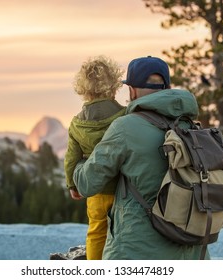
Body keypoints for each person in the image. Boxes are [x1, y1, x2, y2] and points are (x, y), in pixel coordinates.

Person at [73, 56, 209, 259]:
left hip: (135, 254)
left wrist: (80, 161)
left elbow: (86, 184)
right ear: (167, 87)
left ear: (132, 90)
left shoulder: (125, 127)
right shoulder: (190, 127)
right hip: (192, 253)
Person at [64, 55, 126, 260]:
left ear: (83, 88)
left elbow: (71, 157)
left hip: (95, 189)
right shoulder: (124, 115)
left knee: (96, 231)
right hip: (123, 187)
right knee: (125, 233)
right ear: (114, 85)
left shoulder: (76, 123)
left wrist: (72, 185)